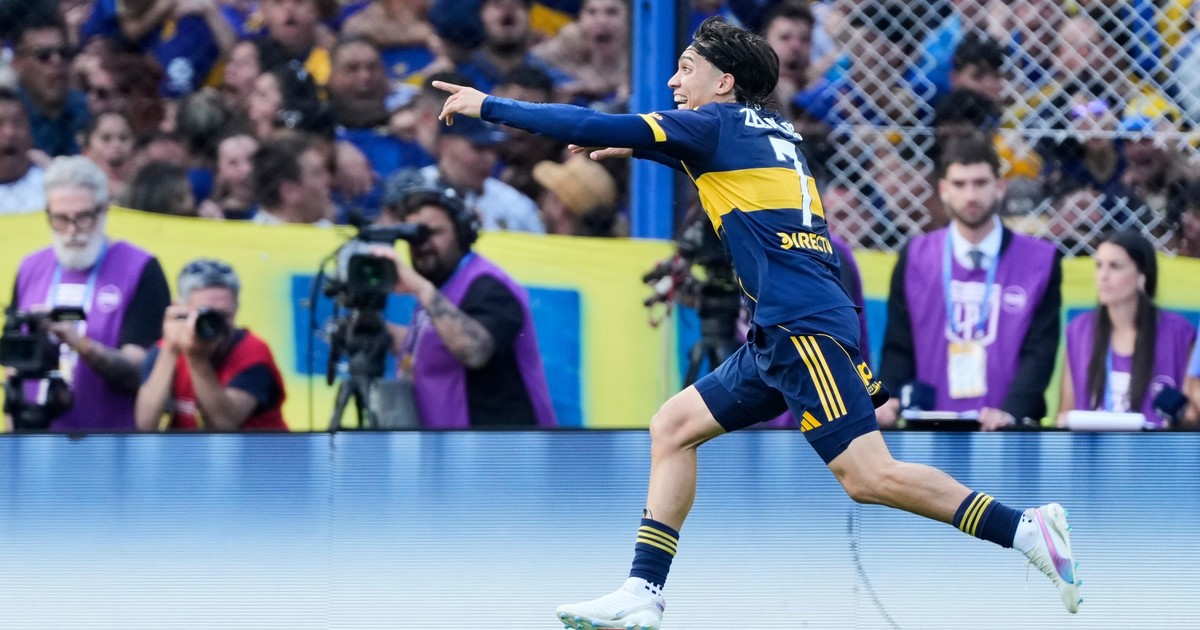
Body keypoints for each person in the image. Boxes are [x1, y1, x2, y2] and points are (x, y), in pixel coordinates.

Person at [435, 16, 1081, 629]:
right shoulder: (774, 131)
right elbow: (706, 157)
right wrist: (640, 147)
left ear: (723, 82)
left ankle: (1026, 530)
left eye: (686, 68)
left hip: (801, 327)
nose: (673, 81)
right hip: (787, 326)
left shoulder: (714, 126)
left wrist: (487, 105)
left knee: (868, 477)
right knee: (673, 427)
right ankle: (642, 592)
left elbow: (591, 121)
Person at [878, 134, 1062, 431]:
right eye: (960, 184)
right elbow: (899, 344)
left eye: (980, 183)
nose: (971, 195)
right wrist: (888, 399)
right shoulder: (915, 256)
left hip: (1004, 430)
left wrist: (1011, 412)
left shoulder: (1040, 260)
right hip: (929, 426)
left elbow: (1040, 352)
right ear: (944, 190)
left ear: (999, 187)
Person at [372, 174, 554, 428]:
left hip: (500, 446)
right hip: (451, 444)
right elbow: (433, 344)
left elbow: (474, 350)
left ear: (462, 232)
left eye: (433, 232)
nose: (422, 244)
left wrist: (422, 289)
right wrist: (381, 333)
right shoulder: (442, 285)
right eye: (414, 235)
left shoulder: (488, 285)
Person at [9, 156, 171, 432]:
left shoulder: (140, 268)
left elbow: (141, 373)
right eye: (60, 219)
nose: (72, 231)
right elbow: (15, 365)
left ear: (104, 210)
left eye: (83, 218)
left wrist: (79, 343)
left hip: (109, 440)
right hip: (35, 439)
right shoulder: (30, 268)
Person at [1060, 231, 1195, 429]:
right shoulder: (1079, 330)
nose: (1103, 276)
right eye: (1099, 265)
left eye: (1115, 266)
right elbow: (1066, 411)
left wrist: (1177, 422)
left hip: (1156, 447)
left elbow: (1191, 413)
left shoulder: (1178, 333)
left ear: (1142, 276)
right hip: (1094, 447)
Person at [135, 259, 288, 432]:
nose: (215, 326)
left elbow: (224, 425)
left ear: (236, 307)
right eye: (205, 315)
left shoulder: (252, 353)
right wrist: (171, 348)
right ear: (180, 309)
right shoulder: (166, 350)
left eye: (224, 316)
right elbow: (146, 424)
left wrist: (197, 359)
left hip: (257, 449)